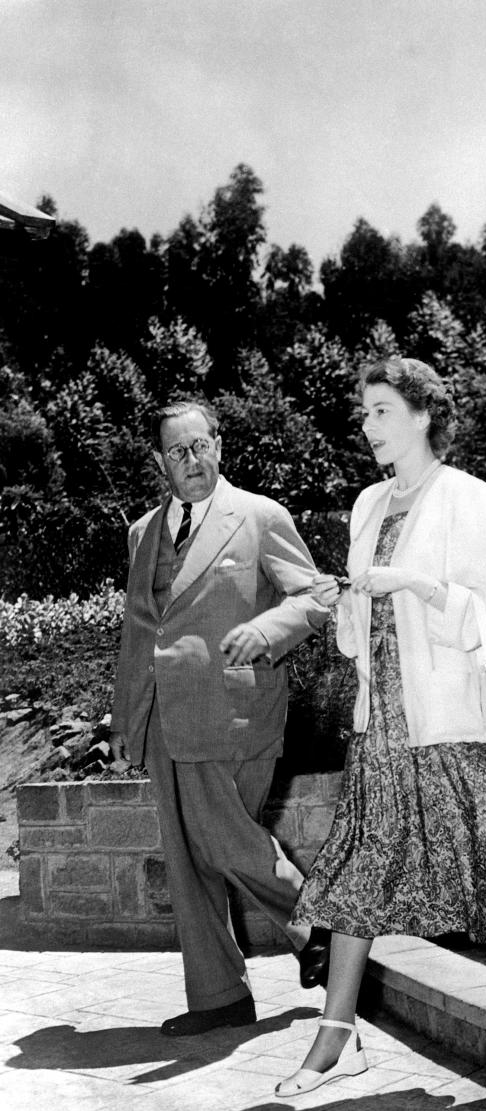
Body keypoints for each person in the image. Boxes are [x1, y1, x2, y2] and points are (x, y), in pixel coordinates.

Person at [276, 358, 486, 1098]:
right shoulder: (366, 506)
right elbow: (358, 639)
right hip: (381, 716)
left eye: (382, 410)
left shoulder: (467, 497)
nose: (368, 426)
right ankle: (337, 1037)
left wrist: (412, 585)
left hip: (448, 711)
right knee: (360, 865)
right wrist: (351, 601)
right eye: (364, 413)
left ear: (424, 414)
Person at [109, 400, 337, 1036]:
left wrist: (266, 631)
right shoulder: (142, 532)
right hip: (162, 720)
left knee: (221, 838)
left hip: (235, 708)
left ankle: (319, 921)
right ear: (160, 463)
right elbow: (137, 633)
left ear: (219, 445)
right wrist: (126, 721)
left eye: (200, 445)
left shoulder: (260, 517)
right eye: (177, 452)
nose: (192, 461)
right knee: (186, 861)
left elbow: (316, 595)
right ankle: (218, 997)